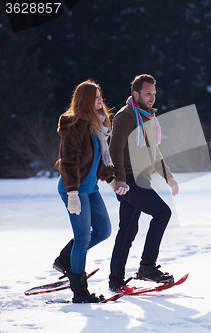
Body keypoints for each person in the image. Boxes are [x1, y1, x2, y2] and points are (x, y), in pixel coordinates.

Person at [53, 79, 128, 303]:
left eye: (100, 96)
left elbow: (97, 161)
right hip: (73, 188)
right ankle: (80, 291)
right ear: (85, 100)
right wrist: (73, 193)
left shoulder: (98, 125)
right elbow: (69, 161)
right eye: (95, 97)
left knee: (103, 230)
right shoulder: (76, 124)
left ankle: (66, 259)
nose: (100, 100)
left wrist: (112, 182)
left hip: (90, 188)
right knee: (83, 237)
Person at [108, 74, 179, 292]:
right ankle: (147, 266)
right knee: (162, 213)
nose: (152, 98)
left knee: (128, 231)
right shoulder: (125, 116)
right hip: (129, 180)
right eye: (148, 93)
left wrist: (168, 176)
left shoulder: (147, 117)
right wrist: (119, 179)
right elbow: (114, 148)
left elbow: (154, 152)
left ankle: (116, 280)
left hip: (140, 180)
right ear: (135, 94)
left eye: (154, 94)